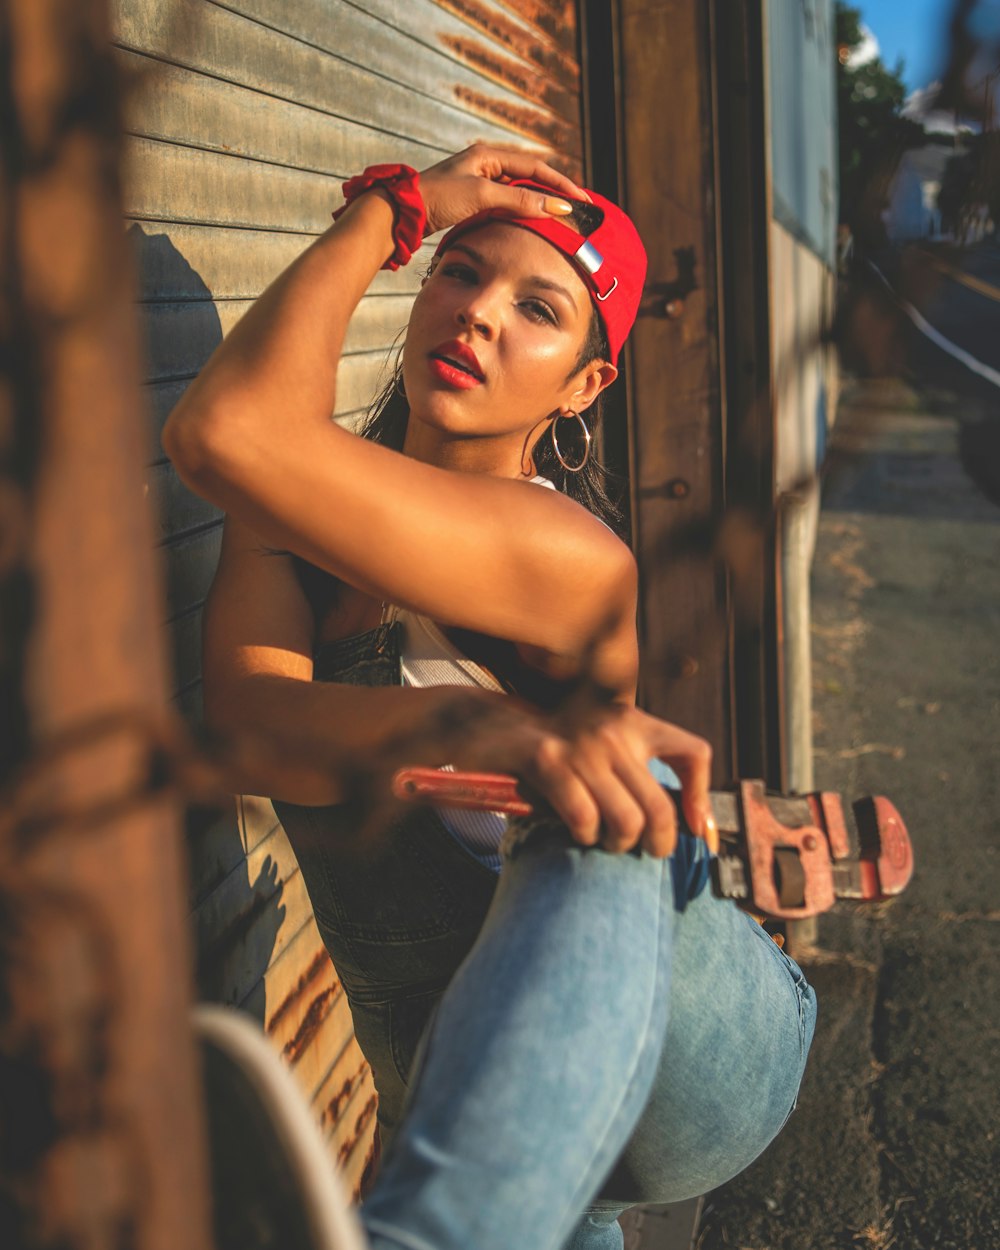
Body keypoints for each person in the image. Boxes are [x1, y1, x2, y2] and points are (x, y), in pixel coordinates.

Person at [164, 144, 816, 1250]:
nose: (475, 316)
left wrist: (392, 211)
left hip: (685, 1043)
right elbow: (250, 723)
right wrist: (483, 726)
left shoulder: (571, 556)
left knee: (608, 790)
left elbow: (225, 435)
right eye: (456, 271)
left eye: (536, 307)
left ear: (583, 385)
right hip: (466, 1086)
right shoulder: (296, 521)